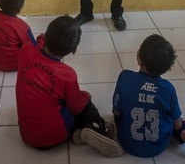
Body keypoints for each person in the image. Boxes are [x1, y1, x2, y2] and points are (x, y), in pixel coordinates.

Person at [16, 15, 123, 157]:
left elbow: (39, 41)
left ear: (46, 36)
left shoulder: (26, 49)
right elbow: (76, 107)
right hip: (55, 136)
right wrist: (85, 96)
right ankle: (96, 127)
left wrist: (43, 38)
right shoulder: (67, 74)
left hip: (26, 135)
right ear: (74, 50)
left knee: (55, 101)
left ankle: (78, 134)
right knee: (85, 101)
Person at [112, 34, 185, 160]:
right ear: (166, 68)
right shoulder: (167, 89)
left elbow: (116, 110)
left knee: (126, 111)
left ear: (139, 59)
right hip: (159, 145)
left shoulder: (125, 77)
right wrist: (181, 128)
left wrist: (118, 125)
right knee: (177, 123)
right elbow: (177, 123)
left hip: (127, 142)